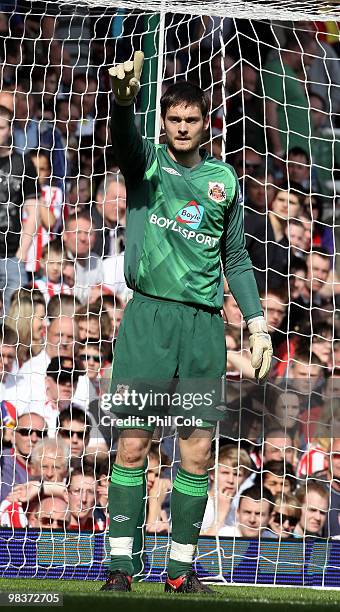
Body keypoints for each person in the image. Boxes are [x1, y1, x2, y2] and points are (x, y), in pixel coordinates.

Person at [102, 52, 272, 594]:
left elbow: (237, 258)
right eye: (173, 119)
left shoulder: (224, 179)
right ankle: (121, 569)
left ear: (206, 123)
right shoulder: (148, 164)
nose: (181, 127)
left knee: (197, 451)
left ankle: (180, 572)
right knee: (132, 445)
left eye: (190, 120)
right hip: (149, 318)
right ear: (164, 122)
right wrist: (124, 100)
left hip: (202, 329)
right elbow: (123, 142)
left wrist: (257, 322)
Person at [0, 105, 40, 314]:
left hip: (11, 255)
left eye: (1, 127)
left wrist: (22, 251)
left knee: (14, 319)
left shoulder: (23, 163)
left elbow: (34, 211)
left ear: (10, 129)